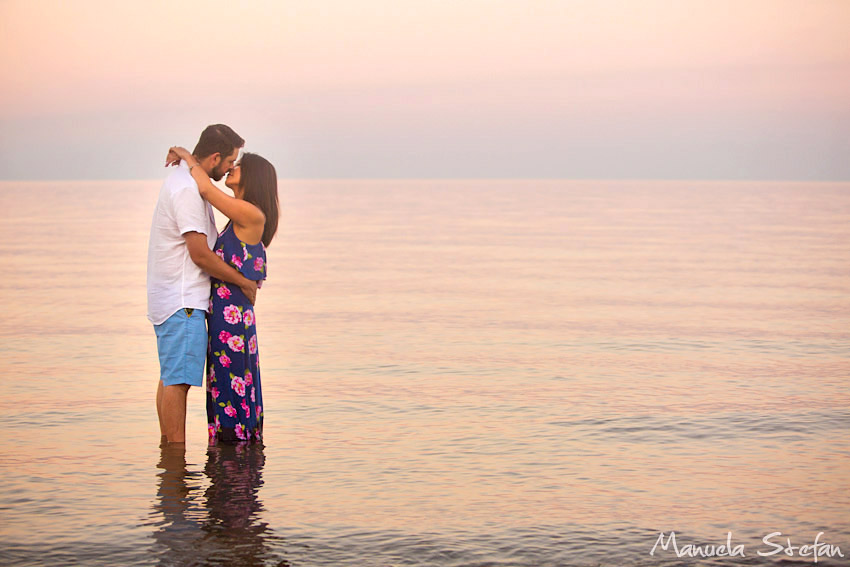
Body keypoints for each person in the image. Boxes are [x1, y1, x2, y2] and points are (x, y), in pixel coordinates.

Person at [148, 124, 257, 445]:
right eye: (228, 161)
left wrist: (182, 152)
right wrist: (244, 282)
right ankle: (175, 458)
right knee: (178, 382)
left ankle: (168, 451)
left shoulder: (185, 181)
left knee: (171, 377)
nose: (229, 168)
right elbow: (199, 254)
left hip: (174, 298)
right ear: (214, 157)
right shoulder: (187, 190)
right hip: (184, 302)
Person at [167, 145, 279, 444]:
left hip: (233, 321)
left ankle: (234, 450)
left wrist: (188, 157)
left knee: (232, 382)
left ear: (252, 178)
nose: (232, 168)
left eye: (238, 165)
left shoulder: (250, 214)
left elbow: (205, 188)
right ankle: (230, 455)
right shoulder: (240, 215)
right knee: (224, 381)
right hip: (226, 315)